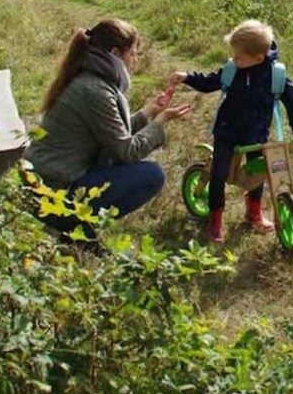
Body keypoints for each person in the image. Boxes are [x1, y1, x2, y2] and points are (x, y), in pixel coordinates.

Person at [25, 18, 191, 246]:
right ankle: (76, 231)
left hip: (46, 184)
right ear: (115, 53)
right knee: (151, 175)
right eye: (133, 53)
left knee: (116, 165)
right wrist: (160, 122)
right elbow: (127, 151)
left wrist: (149, 111)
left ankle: (76, 229)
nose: (136, 60)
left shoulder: (88, 79)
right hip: (51, 192)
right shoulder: (96, 91)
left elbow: (111, 135)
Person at [167, 19, 293, 245]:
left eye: (238, 57)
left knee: (258, 172)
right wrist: (188, 77)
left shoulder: (275, 76)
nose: (234, 60)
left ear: (258, 58)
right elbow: (210, 81)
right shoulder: (233, 71)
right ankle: (215, 220)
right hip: (227, 132)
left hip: (256, 134)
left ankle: (253, 214)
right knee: (219, 174)